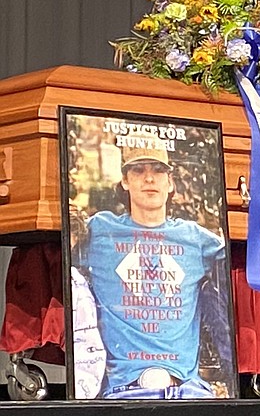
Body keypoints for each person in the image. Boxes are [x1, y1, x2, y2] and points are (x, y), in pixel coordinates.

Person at [73, 137, 227, 399]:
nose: (149, 178)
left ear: (170, 183)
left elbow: (237, 269)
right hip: (123, 391)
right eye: (138, 170)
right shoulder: (100, 231)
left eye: (157, 171)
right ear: (125, 181)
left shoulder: (195, 238)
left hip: (188, 390)